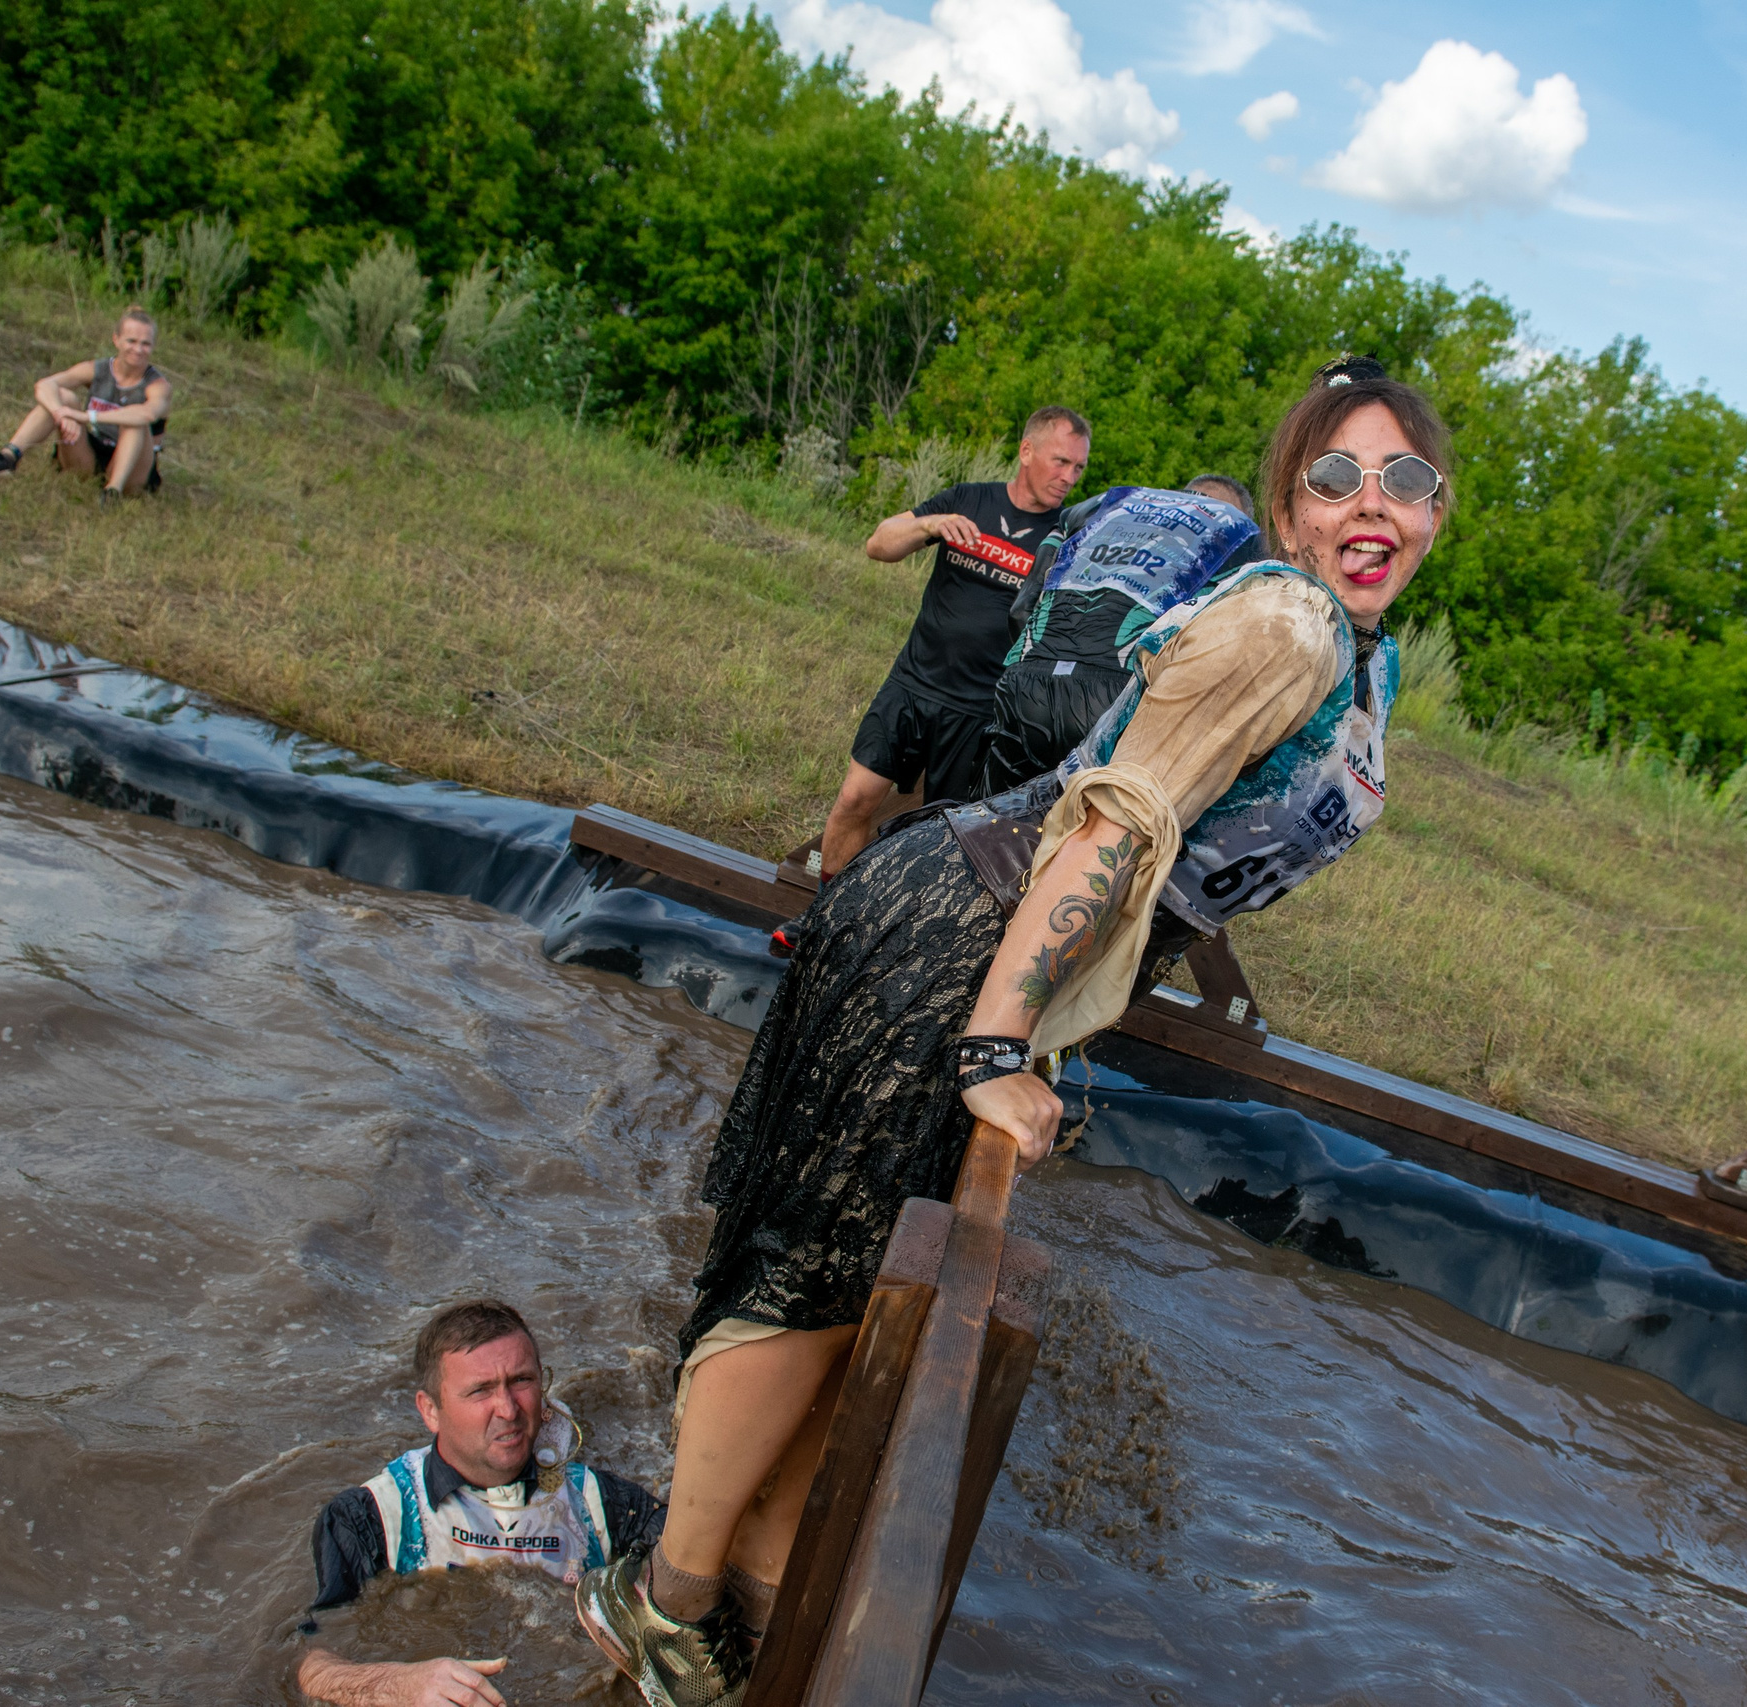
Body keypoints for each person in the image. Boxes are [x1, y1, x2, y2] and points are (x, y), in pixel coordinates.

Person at [573, 357, 1446, 1706]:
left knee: (863, 1288)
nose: (1371, 501)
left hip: (981, 937)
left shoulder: (1348, 644)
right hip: (954, 938)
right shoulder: (1289, 626)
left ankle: (751, 1582)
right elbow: (1114, 821)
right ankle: (663, 1603)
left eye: (1406, 478)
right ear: (1287, 503)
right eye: (1337, 476)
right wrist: (995, 1046)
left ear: (1441, 508)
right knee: (815, 1278)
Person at [297, 1300, 669, 1707]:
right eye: (480, 1391)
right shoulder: (369, 1517)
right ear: (430, 1410)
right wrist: (396, 1685)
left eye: (522, 1381)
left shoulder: (604, 1504)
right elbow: (307, 1664)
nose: (508, 1409)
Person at [814, 407, 1093, 882]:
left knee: (942, 839)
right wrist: (930, 525)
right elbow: (878, 544)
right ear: (1027, 451)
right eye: (1061, 462)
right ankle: (821, 917)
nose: (1069, 477)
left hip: (981, 710)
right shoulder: (968, 500)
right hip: (913, 683)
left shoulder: (1068, 537)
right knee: (854, 800)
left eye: (1079, 468)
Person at [978, 472, 1269, 794]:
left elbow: (1021, 610)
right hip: (1120, 696)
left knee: (987, 824)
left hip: (1025, 680)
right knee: (1093, 830)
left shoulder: (1112, 505)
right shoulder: (1242, 534)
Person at [0, 306, 172, 497]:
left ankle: (112, 492)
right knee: (64, 398)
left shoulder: (157, 385)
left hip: (135, 468)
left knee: (134, 422)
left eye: (145, 344)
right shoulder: (98, 369)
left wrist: (85, 416)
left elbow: (148, 413)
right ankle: (7, 457)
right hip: (90, 455)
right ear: (116, 340)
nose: (138, 349)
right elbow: (45, 385)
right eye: (131, 341)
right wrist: (60, 413)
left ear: (153, 346)